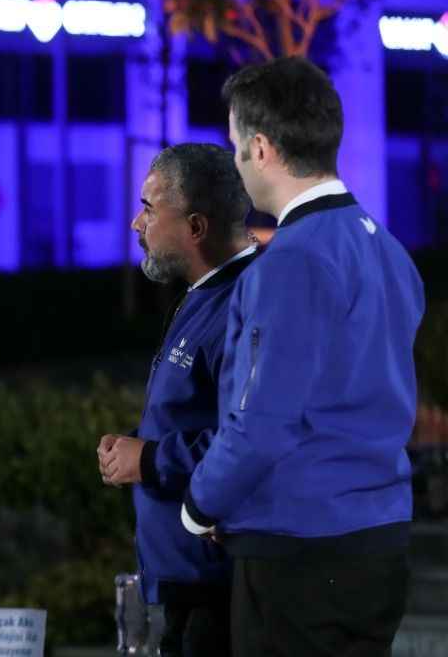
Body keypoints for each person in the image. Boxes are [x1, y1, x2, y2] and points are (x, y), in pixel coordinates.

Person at [182, 57, 425, 657]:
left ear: (261, 148)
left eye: (237, 144)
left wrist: (198, 505)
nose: (236, 160)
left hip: (299, 550)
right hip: (379, 541)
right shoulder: (387, 249)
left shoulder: (291, 261)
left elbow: (260, 422)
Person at [98, 143, 256, 657]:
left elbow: (249, 437)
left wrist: (147, 457)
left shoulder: (245, 302)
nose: (135, 224)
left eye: (148, 208)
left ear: (194, 228)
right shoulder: (205, 294)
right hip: (187, 587)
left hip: (218, 590)